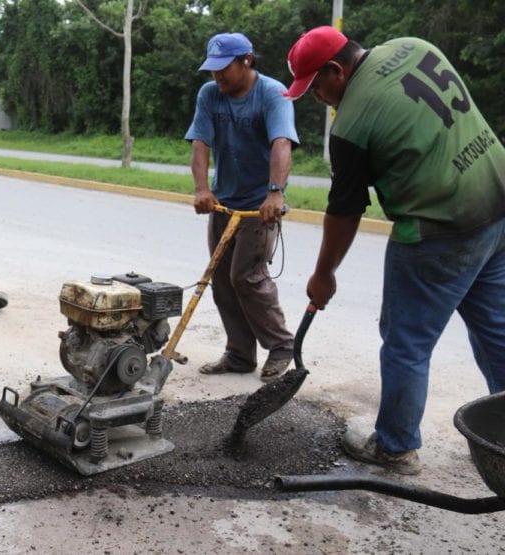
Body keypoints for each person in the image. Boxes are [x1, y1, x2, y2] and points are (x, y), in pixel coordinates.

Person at [284, 26, 505, 474]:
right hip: (497, 205)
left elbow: (345, 212)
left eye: (315, 87)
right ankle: (501, 437)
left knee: (406, 342)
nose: (316, 97)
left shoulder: (350, 125)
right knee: (497, 330)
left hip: (440, 229)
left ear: (336, 70)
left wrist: (324, 274)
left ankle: (395, 447)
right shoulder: (415, 46)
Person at [185, 32, 299, 382]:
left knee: (246, 277)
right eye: (213, 68)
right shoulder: (210, 94)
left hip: (258, 207)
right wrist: (202, 189)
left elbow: (281, 143)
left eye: (224, 68)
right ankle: (239, 354)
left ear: (247, 60)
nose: (217, 75)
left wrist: (275, 193)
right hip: (224, 202)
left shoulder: (272, 93)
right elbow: (201, 143)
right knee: (221, 280)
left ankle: (282, 346)